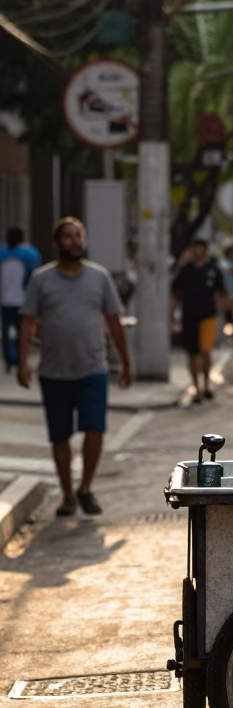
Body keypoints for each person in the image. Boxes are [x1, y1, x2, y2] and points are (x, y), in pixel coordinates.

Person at [17, 216, 132, 517]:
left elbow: (114, 321)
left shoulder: (99, 277)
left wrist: (126, 362)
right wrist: (22, 362)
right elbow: (27, 321)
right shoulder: (41, 279)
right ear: (57, 244)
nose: (74, 242)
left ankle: (86, 488)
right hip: (53, 372)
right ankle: (67, 494)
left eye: (78, 236)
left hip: (93, 369)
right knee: (60, 436)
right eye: (67, 237)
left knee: (95, 429)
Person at [172, 239, 227, 403]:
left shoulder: (213, 270)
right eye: (195, 248)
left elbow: (221, 293)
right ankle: (196, 388)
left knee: (206, 351)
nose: (198, 251)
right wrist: (171, 314)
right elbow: (176, 294)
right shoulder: (185, 271)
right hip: (189, 317)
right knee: (192, 353)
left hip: (208, 316)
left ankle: (206, 385)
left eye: (201, 248)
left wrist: (227, 312)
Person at [0, 226, 41, 371]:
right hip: (22, 299)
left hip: (6, 300)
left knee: (7, 331)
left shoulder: (2, 253)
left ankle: (10, 358)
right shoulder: (29, 254)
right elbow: (34, 276)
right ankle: (19, 357)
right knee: (22, 330)